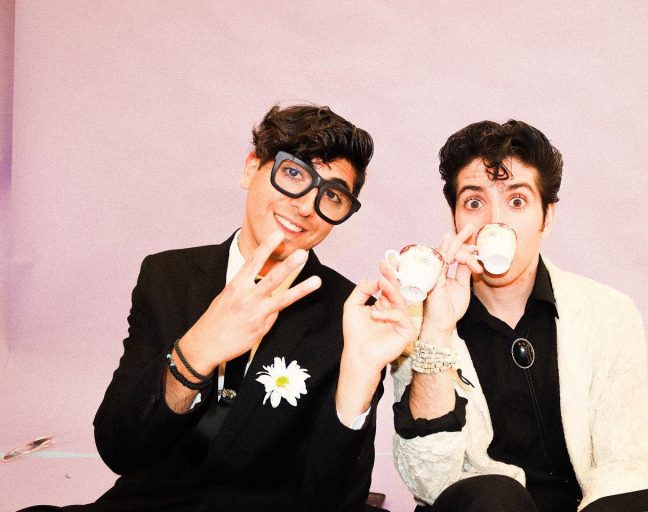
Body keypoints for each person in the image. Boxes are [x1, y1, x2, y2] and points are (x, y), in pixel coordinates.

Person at [21, 104, 416, 512]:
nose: (305, 206)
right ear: (251, 168)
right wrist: (196, 353)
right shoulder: (166, 276)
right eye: (294, 174)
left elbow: (336, 503)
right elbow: (119, 449)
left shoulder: (349, 313)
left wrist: (358, 380)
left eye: (332, 195)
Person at [389, 119, 648, 511]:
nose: (493, 222)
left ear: (547, 217)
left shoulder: (609, 313)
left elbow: (625, 466)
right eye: (474, 203)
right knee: (492, 497)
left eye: (516, 201)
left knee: (634, 497)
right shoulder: (417, 322)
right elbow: (428, 482)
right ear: (455, 219)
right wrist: (436, 329)